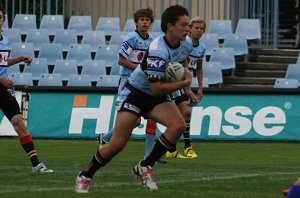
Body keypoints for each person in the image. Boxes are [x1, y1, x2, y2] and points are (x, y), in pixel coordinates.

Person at [75, 5, 197, 193]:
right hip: (137, 93)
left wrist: (187, 89)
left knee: (178, 125)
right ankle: (85, 175)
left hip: (156, 96)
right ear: (170, 26)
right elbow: (156, 89)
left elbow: (180, 64)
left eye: (188, 25)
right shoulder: (157, 49)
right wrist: (184, 84)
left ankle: (145, 166)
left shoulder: (186, 43)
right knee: (116, 145)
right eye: (184, 25)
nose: (188, 29)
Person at [97, 8, 162, 162]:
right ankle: (106, 137)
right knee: (136, 121)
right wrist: (139, 69)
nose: (145, 22)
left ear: (151, 23)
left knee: (152, 118)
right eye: (142, 19)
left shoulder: (151, 40)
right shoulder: (131, 38)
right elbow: (121, 60)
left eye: (147, 20)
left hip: (143, 82)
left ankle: (149, 155)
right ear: (136, 22)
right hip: (128, 81)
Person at [0, 6, 53, 173]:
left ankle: (36, 164)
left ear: (4, 19)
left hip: (2, 88)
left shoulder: (5, 40)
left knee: (18, 123)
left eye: (0, 16)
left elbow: (3, 62)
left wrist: (20, 58)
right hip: (2, 83)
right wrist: (2, 80)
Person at [165, 16, 206, 159]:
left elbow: (199, 68)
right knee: (184, 113)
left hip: (185, 82)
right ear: (190, 29)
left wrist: (200, 86)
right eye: (196, 28)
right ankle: (186, 147)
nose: (198, 31)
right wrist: (187, 89)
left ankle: (172, 149)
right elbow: (182, 65)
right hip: (176, 81)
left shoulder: (201, 48)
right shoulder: (185, 43)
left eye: (201, 29)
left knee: (184, 114)